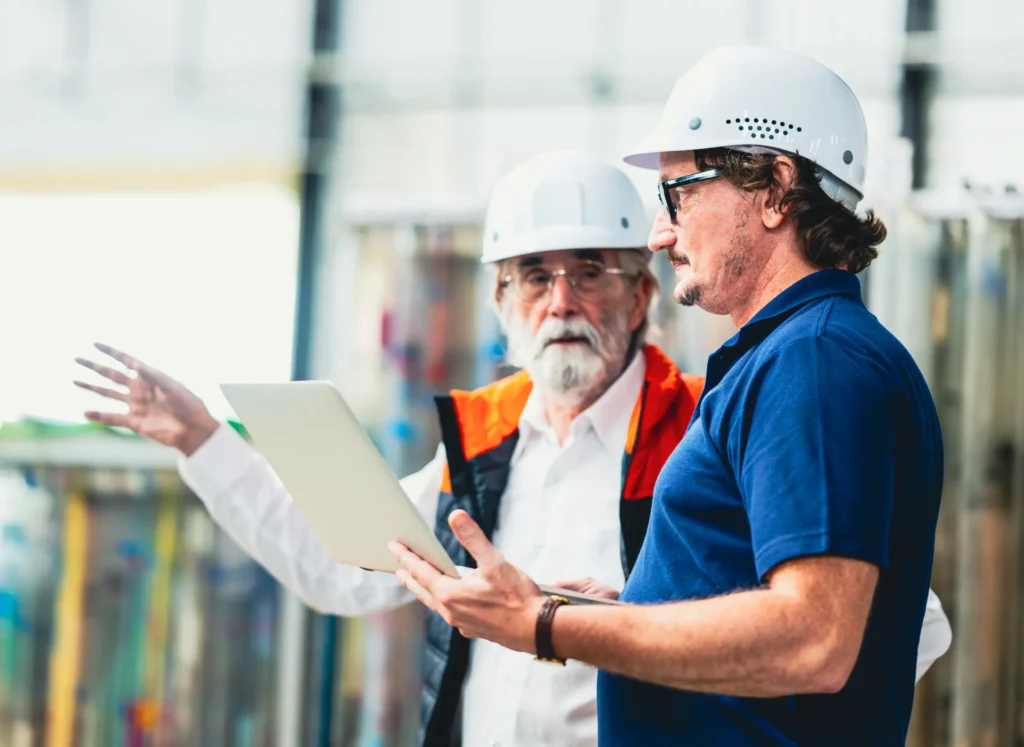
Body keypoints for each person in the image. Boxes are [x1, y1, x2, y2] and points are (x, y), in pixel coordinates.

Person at [75, 146, 948, 747]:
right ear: (502, 307)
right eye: (534, 278)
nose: (561, 300)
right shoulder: (484, 444)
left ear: (641, 295)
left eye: (589, 272)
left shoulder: (706, 428)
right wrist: (195, 436)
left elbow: (893, 626)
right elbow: (338, 565)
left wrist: (658, 634)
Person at [388, 47, 948, 746]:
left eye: (677, 193)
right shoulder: (788, 357)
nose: (660, 232)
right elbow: (772, 599)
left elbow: (815, 638)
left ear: (776, 188)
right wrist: (637, 609)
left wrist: (546, 622)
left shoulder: (815, 359)